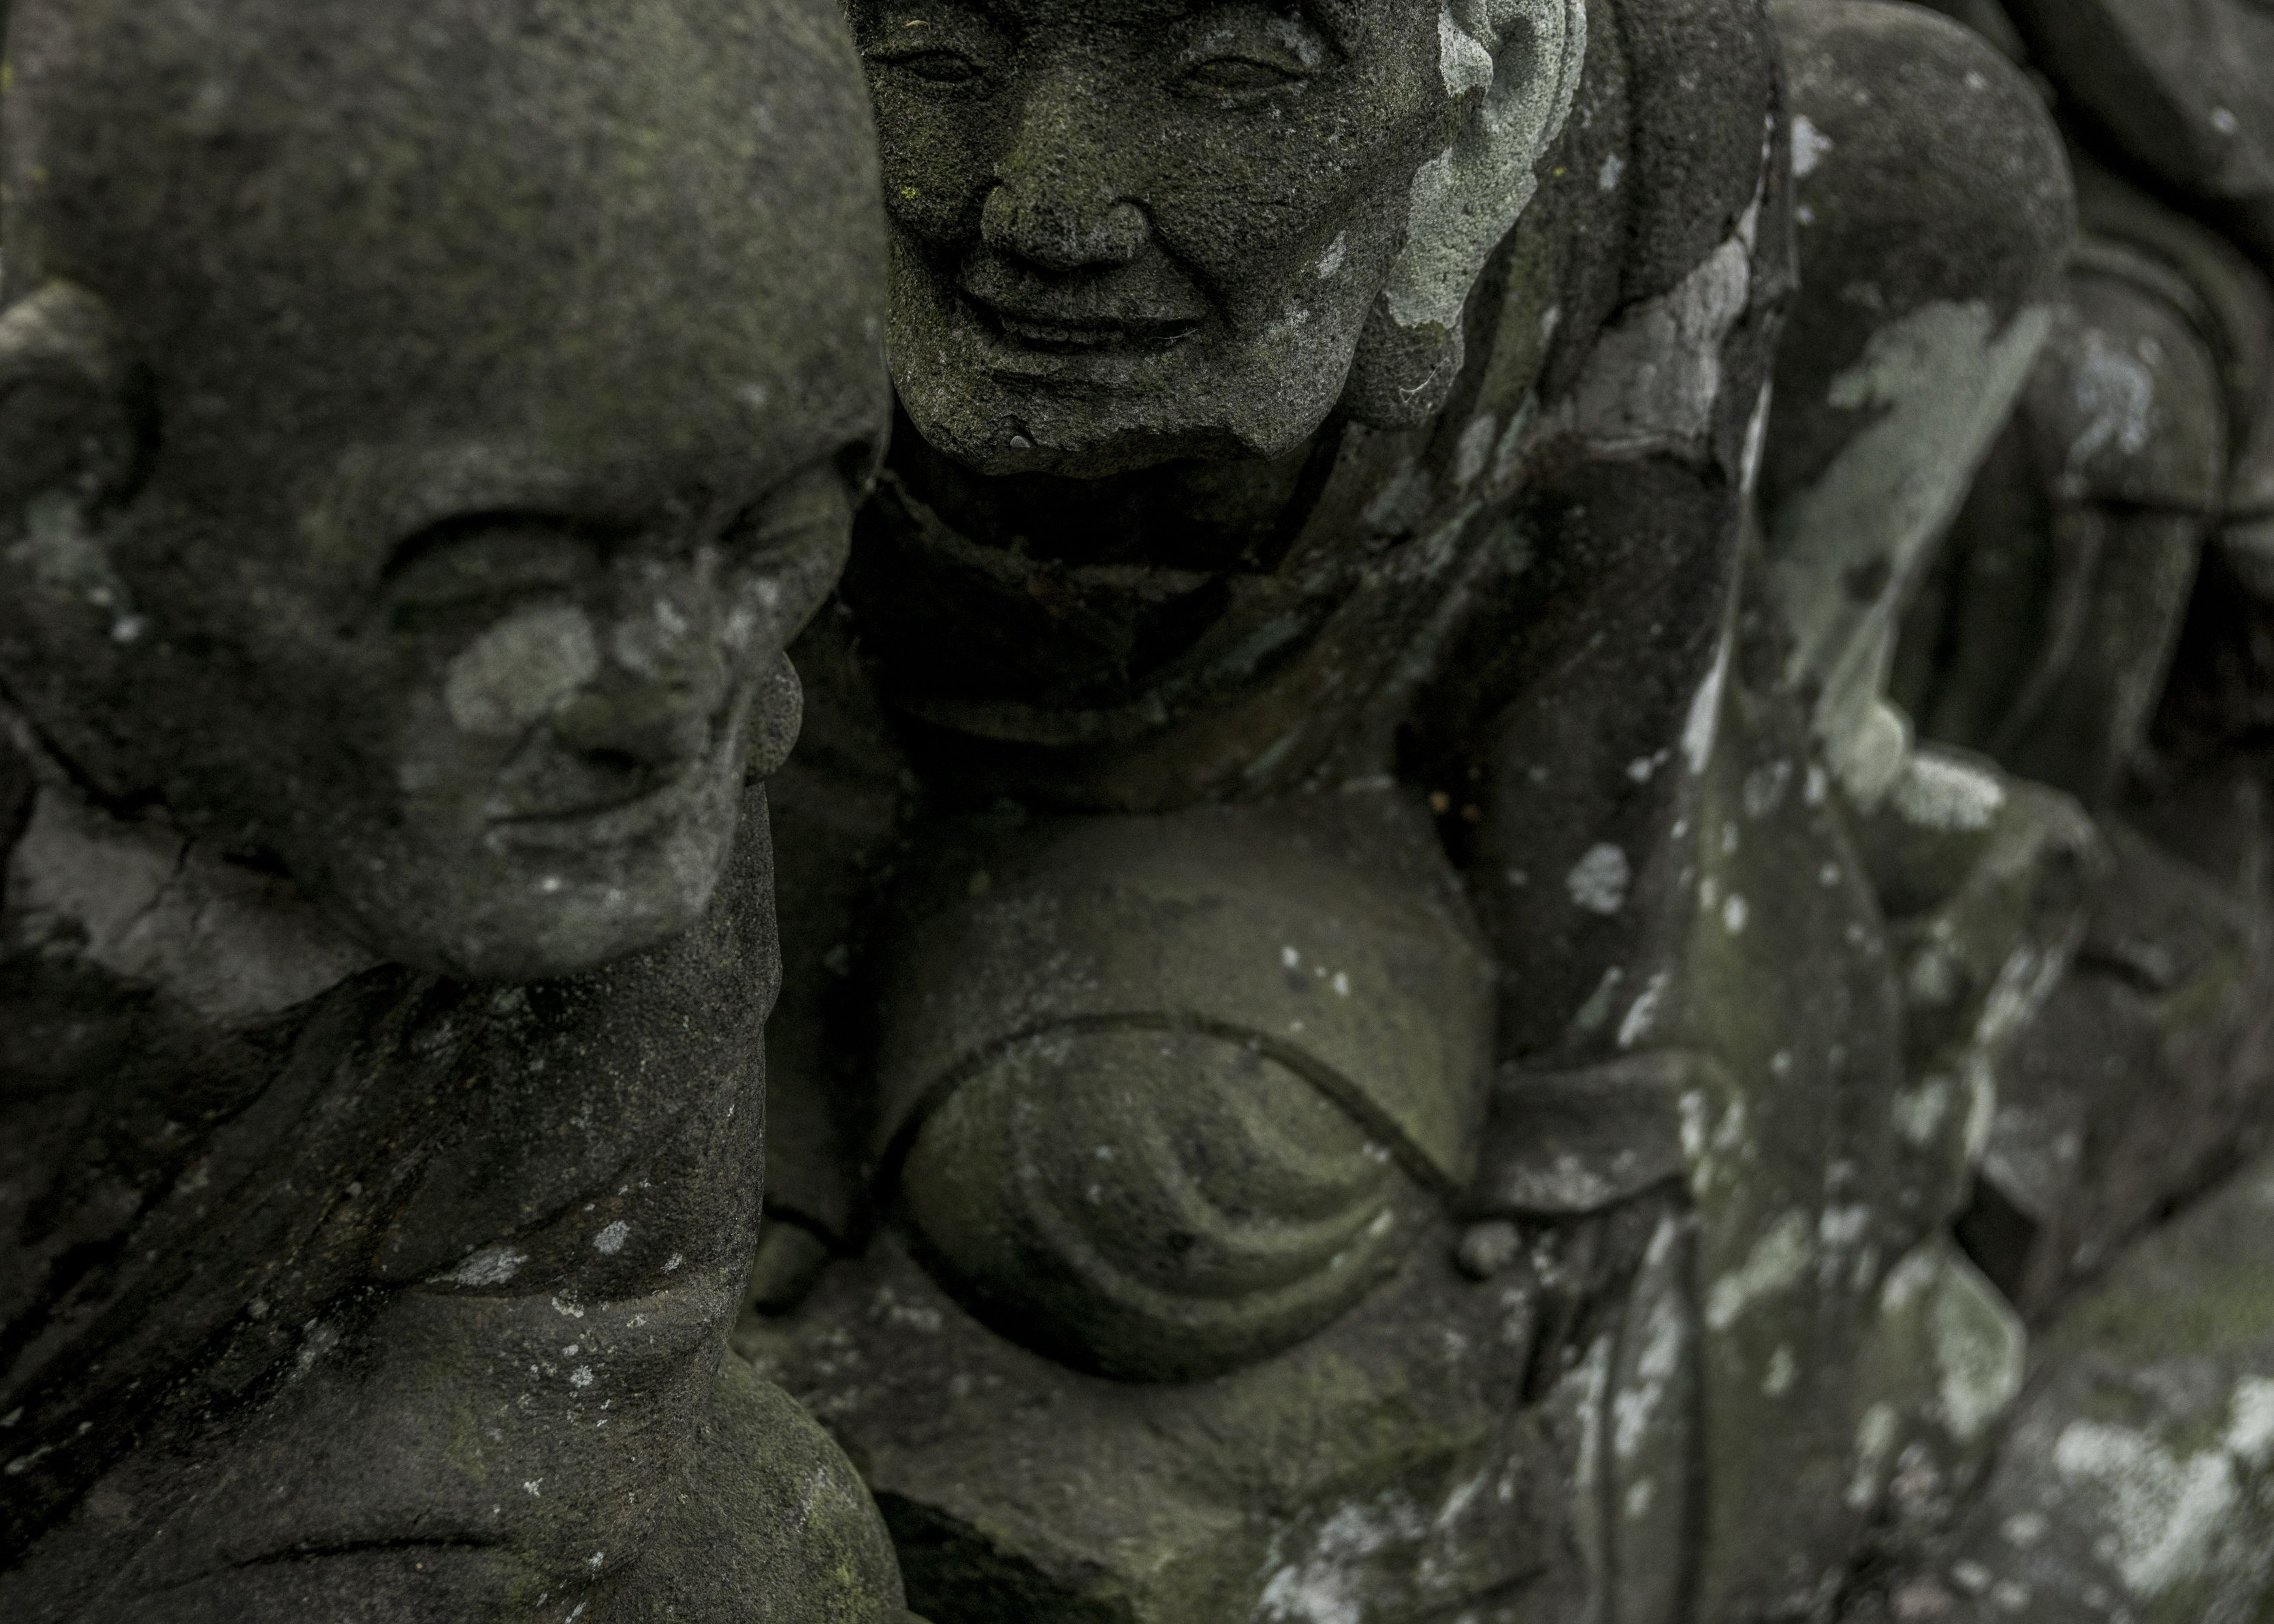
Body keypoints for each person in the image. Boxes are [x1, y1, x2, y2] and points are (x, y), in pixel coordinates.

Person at [742, 1, 2084, 1617]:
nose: (1047, 212)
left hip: (1304, 791)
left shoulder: (1646, 108)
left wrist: (1579, 1096)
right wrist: (769, 1108)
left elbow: (1614, 599)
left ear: (1493, 93)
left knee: (1150, 1169)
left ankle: (1823, 735)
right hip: (883, 794)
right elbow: (745, 653)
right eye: (936, 58)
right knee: (1113, 1164)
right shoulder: (746, 146)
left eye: (1235, 72)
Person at [0, 0, 918, 1617]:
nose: (674, 691)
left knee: (765, 1547)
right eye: (508, 565)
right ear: (58, 485)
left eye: (770, 530)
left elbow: (581, 1341)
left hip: (271, 1499)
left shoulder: (656, 709)